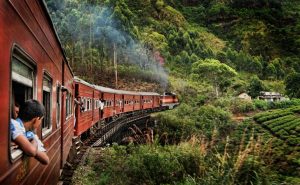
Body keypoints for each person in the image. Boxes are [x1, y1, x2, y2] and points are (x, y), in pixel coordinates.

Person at [10, 99, 49, 165]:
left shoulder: (30, 134)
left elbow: (46, 160)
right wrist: (32, 142)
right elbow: (32, 151)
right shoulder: (14, 124)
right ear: (36, 119)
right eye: (41, 120)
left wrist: (32, 141)